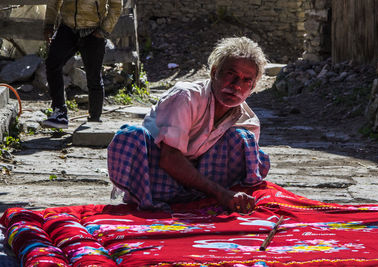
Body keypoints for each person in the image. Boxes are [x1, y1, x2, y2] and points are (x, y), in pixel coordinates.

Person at [108, 37, 270, 213]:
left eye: (246, 80)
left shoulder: (247, 120)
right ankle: (148, 200)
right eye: (231, 74)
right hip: (158, 174)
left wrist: (229, 195)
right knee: (130, 136)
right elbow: (169, 158)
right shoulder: (186, 97)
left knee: (243, 141)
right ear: (214, 72)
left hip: (198, 183)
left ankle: (206, 201)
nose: (236, 86)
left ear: (253, 87)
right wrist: (220, 193)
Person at [42, 0, 123, 129]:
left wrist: (104, 30)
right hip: (68, 27)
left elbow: (116, 4)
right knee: (52, 63)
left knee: (93, 75)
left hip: (94, 29)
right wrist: (49, 24)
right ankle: (60, 113)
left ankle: (94, 119)